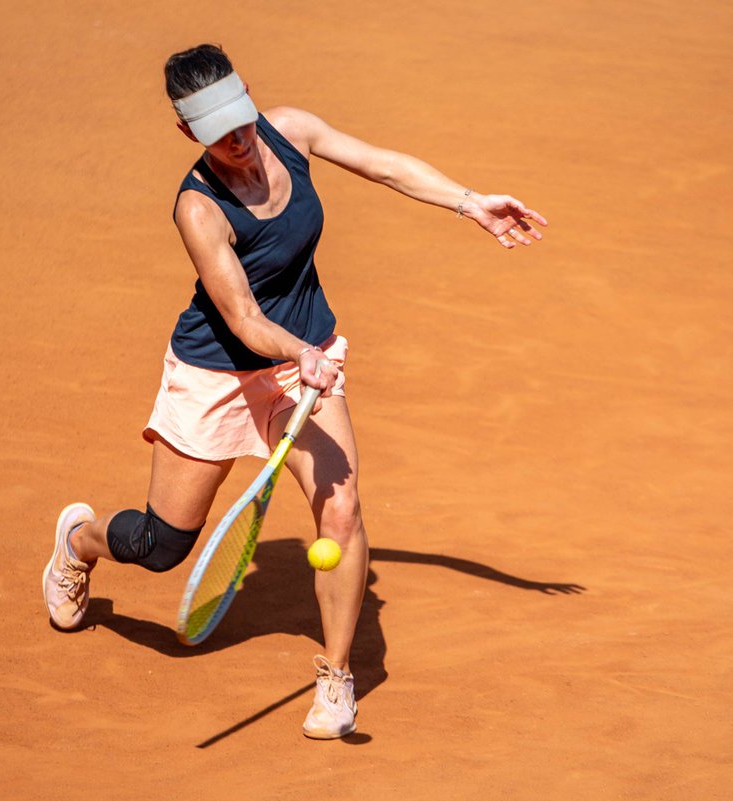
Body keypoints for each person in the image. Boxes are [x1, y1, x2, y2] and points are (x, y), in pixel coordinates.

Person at [42, 43, 547, 740]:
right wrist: (302, 351)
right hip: (219, 372)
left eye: (242, 118)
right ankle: (78, 539)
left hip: (300, 368)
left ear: (249, 94)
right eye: (219, 135)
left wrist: (469, 202)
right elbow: (245, 318)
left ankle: (336, 678)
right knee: (161, 546)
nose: (241, 140)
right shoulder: (200, 209)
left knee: (341, 512)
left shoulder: (291, 129)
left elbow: (382, 163)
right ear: (188, 134)